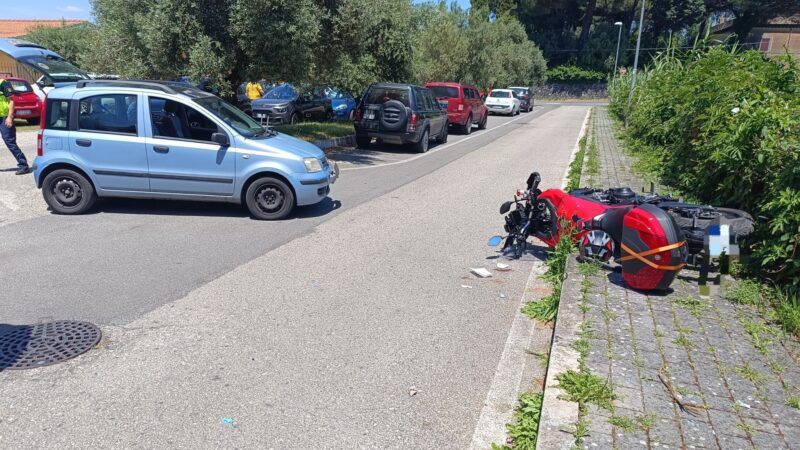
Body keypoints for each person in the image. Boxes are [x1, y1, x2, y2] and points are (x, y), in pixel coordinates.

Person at [0, 78, 30, 175]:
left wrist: (10, 117)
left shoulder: (3, 83)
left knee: (10, 142)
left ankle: (23, 165)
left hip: (4, 117)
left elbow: (11, 100)